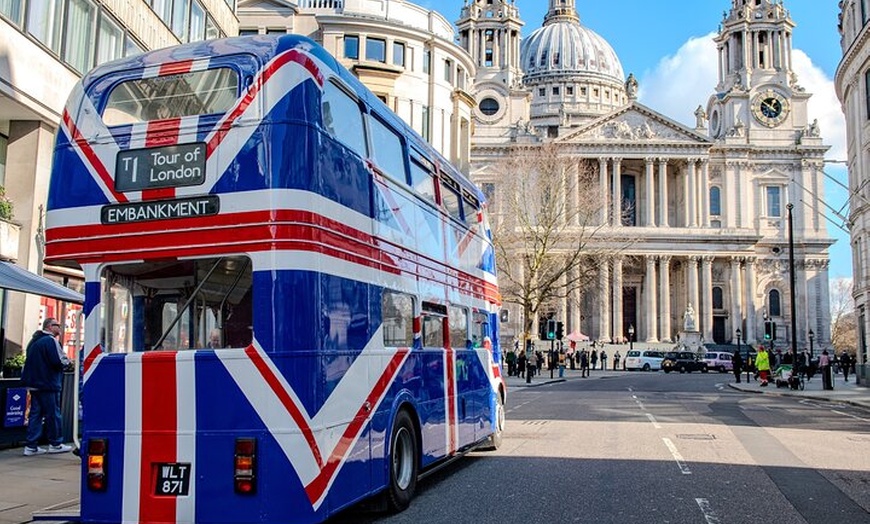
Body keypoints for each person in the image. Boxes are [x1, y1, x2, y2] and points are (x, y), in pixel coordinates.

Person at [20, 318, 73, 456]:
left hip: (34, 383)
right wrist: (68, 363)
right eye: (58, 325)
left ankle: (31, 446)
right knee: (53, 413)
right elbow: (59, 361)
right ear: (50, 327)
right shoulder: (50, 341)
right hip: (48, 383)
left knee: (35, 414)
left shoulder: (34, 341)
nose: (60, 328)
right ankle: (55, 443)